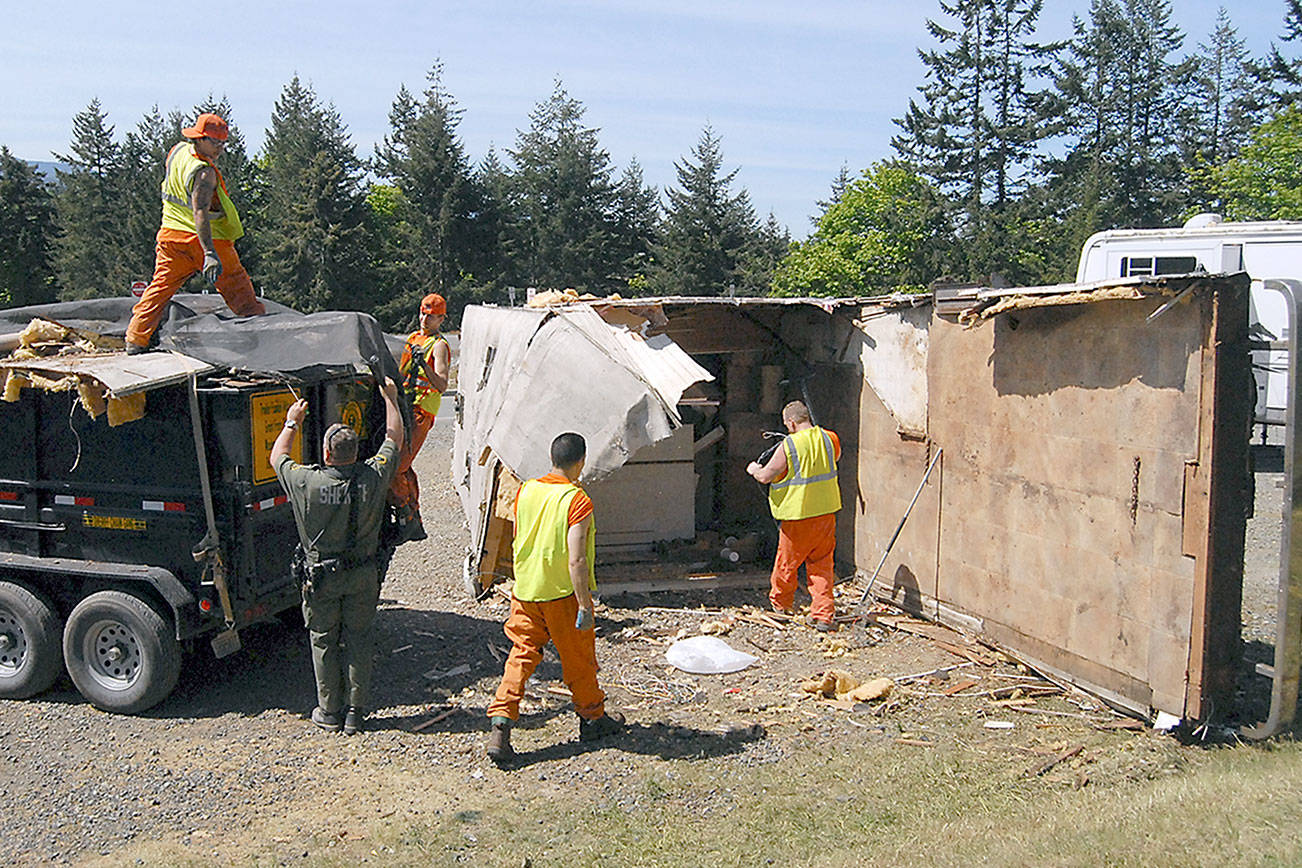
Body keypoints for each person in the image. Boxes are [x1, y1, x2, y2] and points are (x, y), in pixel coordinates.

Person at [271, 377, 404, 735]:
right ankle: (356, 713)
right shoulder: (373, 475)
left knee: (324, 640)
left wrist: (292, 422)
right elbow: (394, 438)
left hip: (321, 579)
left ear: (327, 454)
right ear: (356, 453)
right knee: (360, 639)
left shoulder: (307, 482)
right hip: (363, 574)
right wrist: (390, 398)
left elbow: (277, 456)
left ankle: (329, 711)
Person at [486, 432, 624, 763]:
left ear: (552, 458)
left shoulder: (526, 490)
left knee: (521, 655)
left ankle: (501, 721)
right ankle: (593, 719)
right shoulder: (577, 500)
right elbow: (576, 560)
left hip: (525, 590)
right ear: (581, 461)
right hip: (561, 595)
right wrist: (584, 604)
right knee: (578, 659)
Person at [125, 113, 265, 353]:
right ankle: (262, 335)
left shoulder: (177, 152)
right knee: (237, 286)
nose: (220, 148)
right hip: (207, 240)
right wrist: (209, 253)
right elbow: (200, 211)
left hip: (171, 236)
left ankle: (135, 338)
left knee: (159, 288)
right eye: (215, 142)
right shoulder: (204, 173)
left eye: (223, 143)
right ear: (200, 139)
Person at [746, 400, 842, 632]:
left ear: (790, 423)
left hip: (798, 515)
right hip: (826, 513)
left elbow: (766, 476)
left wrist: (754, 469)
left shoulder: (788, 445)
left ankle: (781, 606)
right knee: (822, 564)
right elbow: (831, 460)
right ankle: (823, 615)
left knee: (787, 563)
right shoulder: (830, 438)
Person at [388, 292, 451, 541]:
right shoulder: (413, 338)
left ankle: (408, 515)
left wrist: (424, 364)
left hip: (421, 411)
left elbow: (443, 385)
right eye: (423, 314)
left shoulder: (439, 346)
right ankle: (413, 518)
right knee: (403, 465)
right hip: (405, 406)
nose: (425, 319)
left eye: (431, 316)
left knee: (398, 467)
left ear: (441, 319)